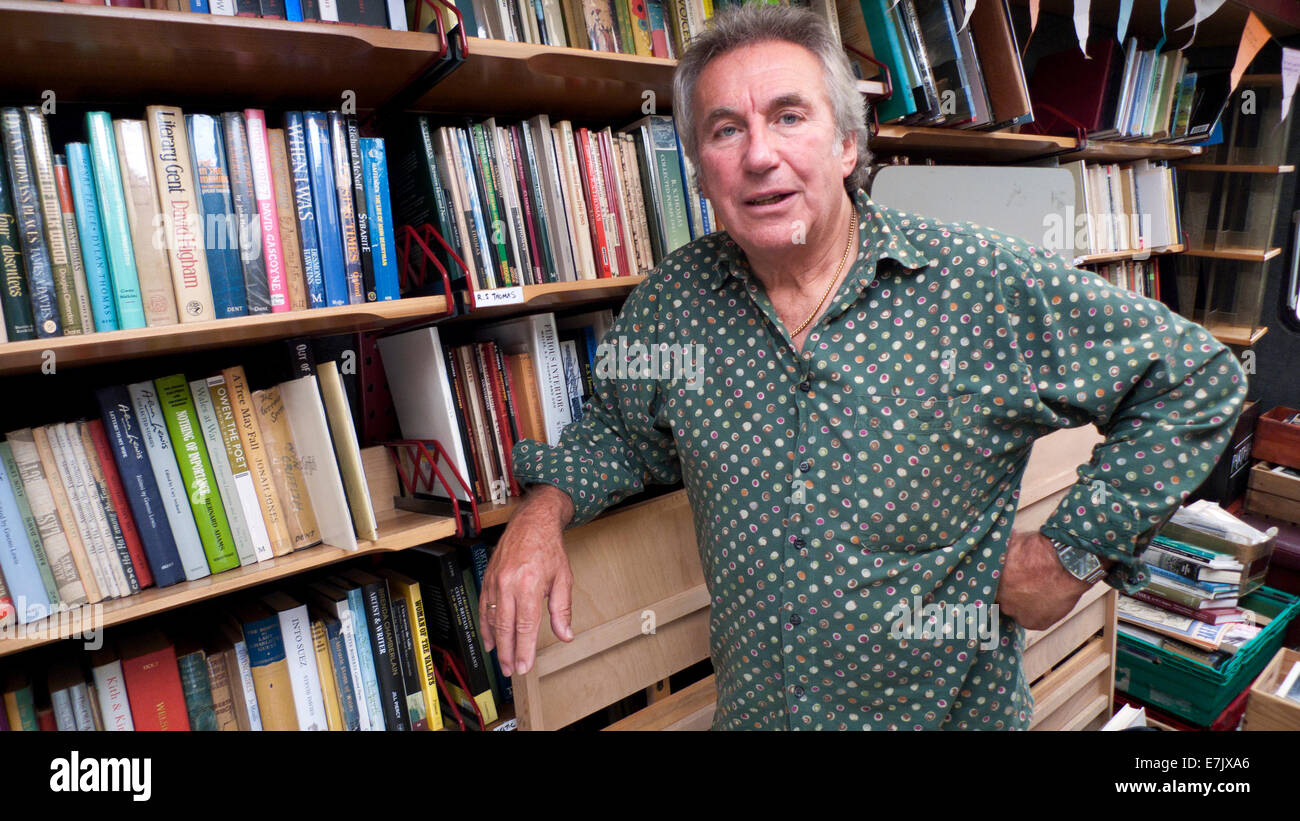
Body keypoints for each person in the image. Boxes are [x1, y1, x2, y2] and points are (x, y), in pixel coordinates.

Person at [481, 5, 1248, 729]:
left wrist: (1070, 551)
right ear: (700, 169)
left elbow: (1195, 379)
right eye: (725, 130)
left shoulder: (978, 283)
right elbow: (618, 427)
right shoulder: (677, 301)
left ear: (848, 144)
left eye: (788, 116)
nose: (758, 154)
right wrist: (541, 513)